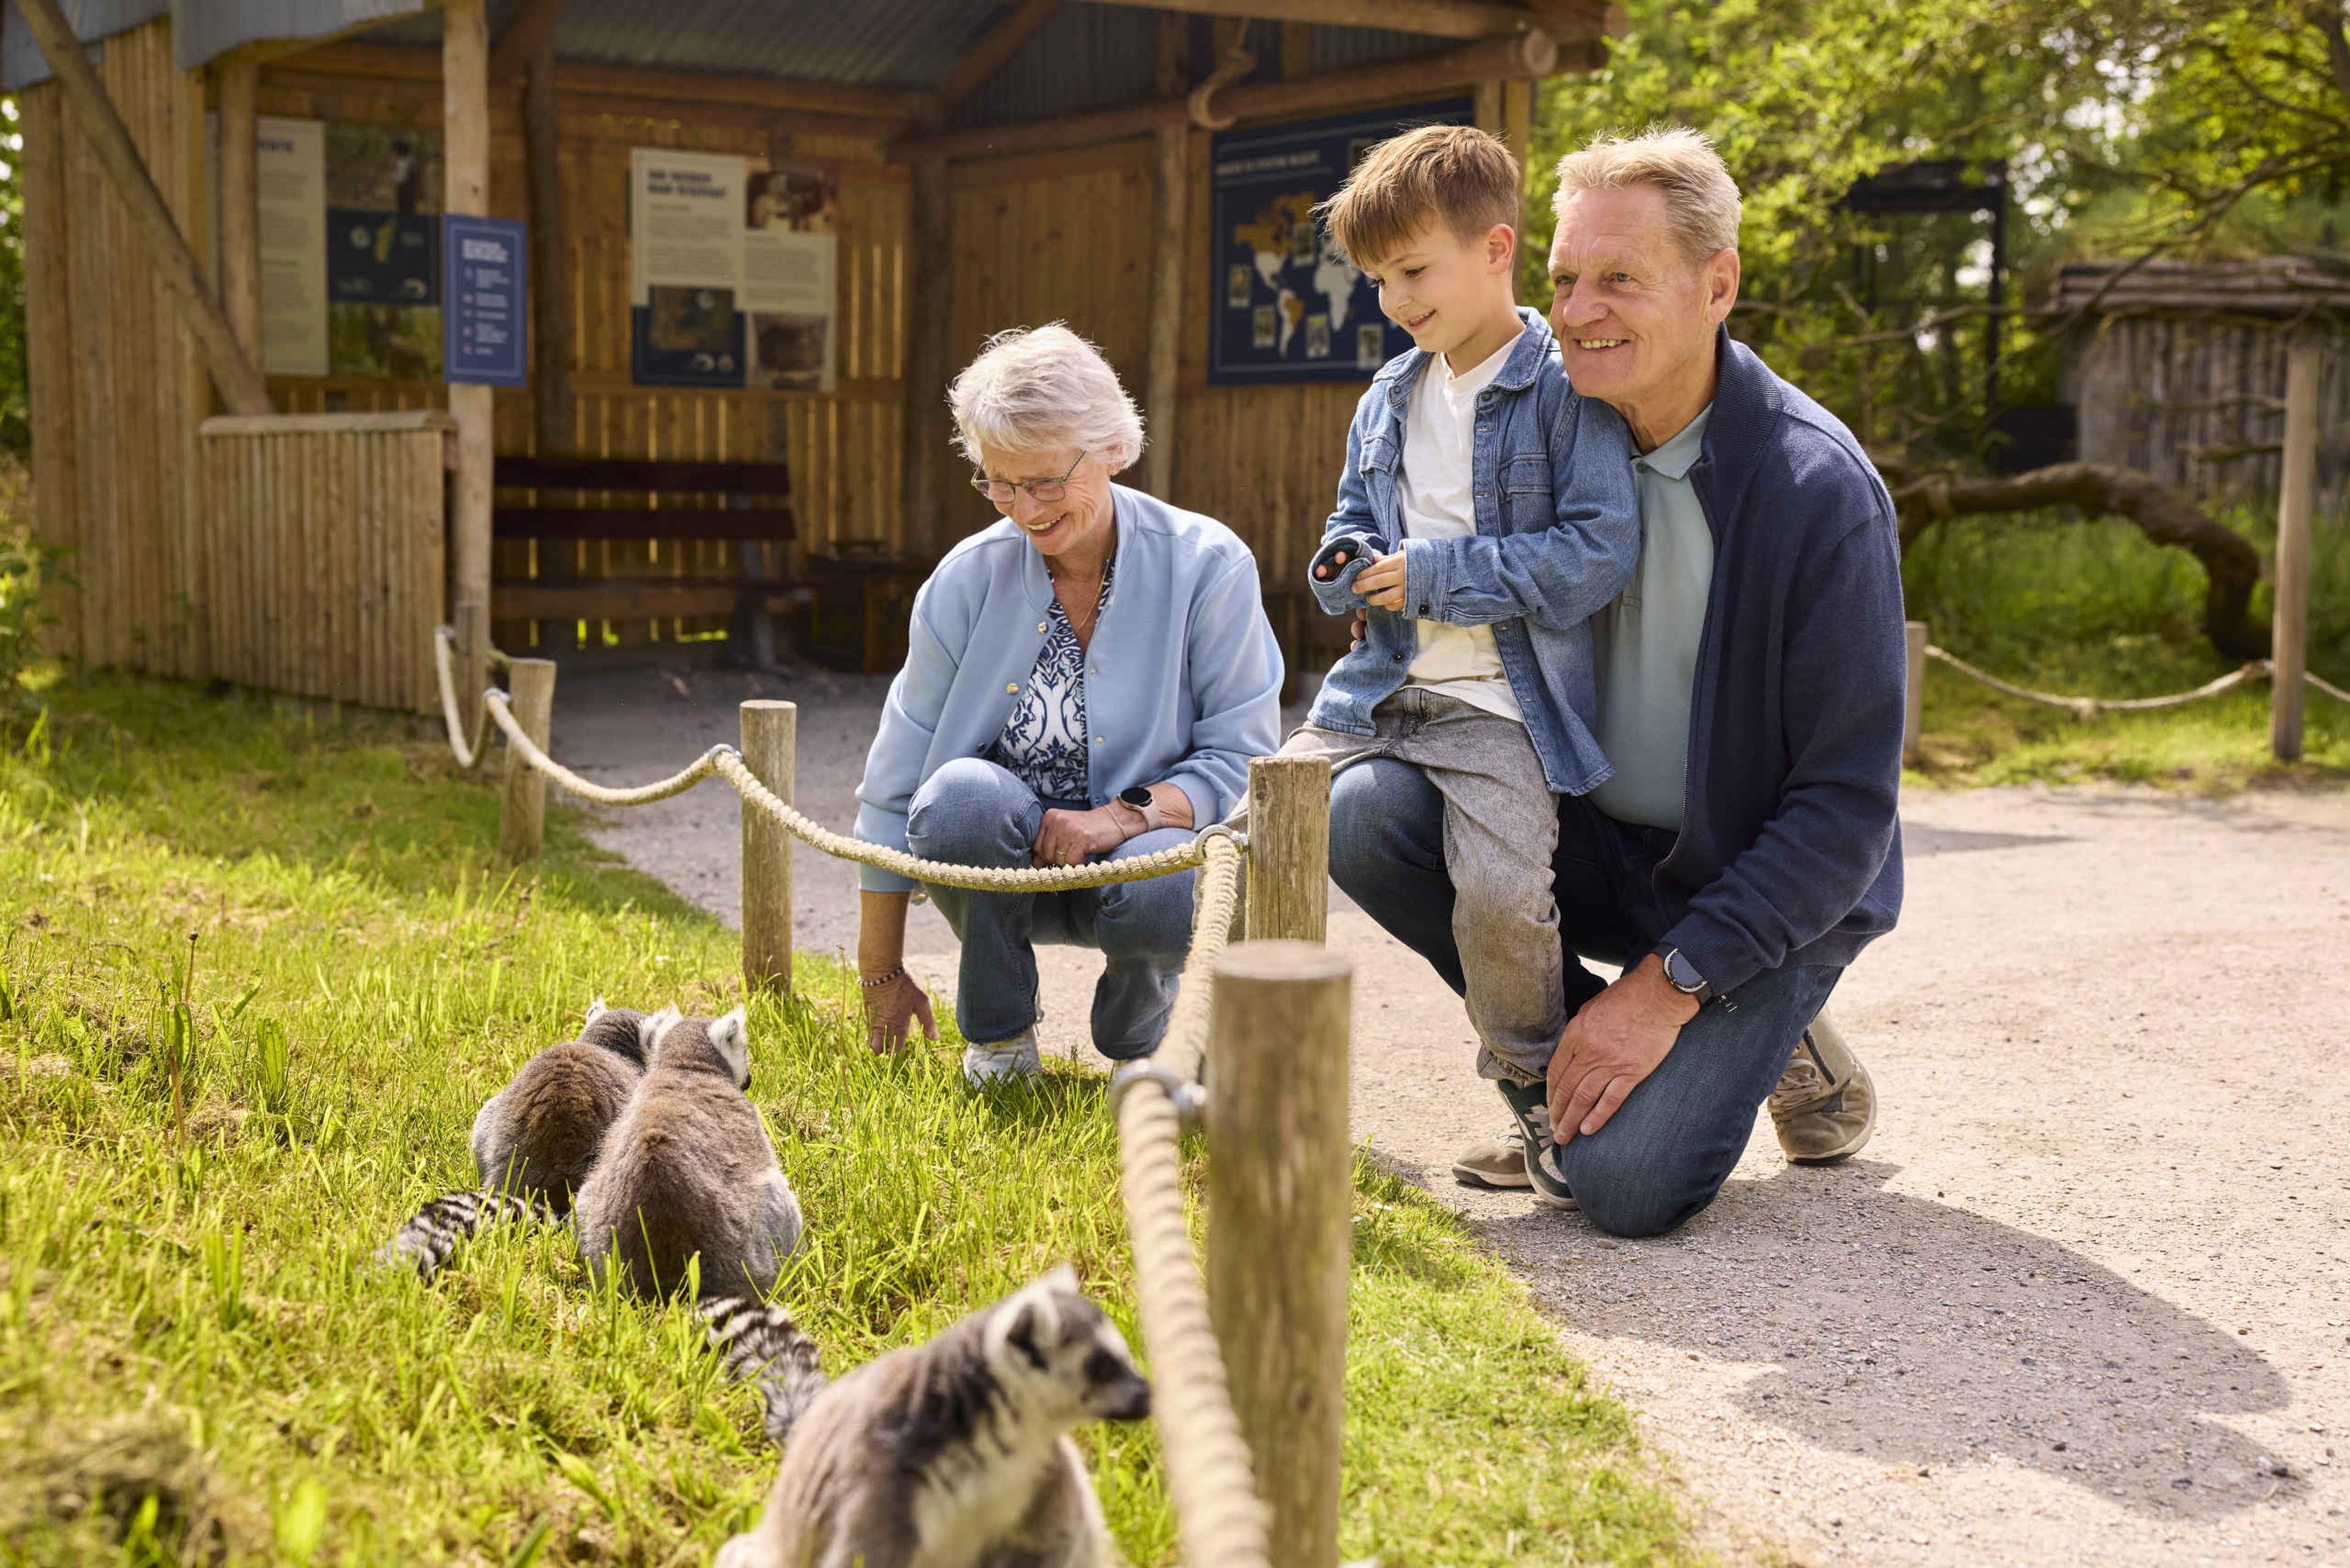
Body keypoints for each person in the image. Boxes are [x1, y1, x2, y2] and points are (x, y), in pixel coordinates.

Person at [1335, 128, 1904, 1236]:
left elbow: (1845, 815)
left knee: (1624, 1188)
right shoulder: (1542, 425)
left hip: (1753, 885)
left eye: (1620, 280)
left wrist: (1664, 988)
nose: (1578, 311)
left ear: (1717, 287)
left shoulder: (1818, 492)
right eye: (1564, 280)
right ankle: (1552, 1081)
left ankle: (1762, 1022)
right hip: (1595, 844)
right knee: (1364, 814)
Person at [1241, 124, 1639, 1195]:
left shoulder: (1563, 389)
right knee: (1250, 838)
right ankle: (1232, 1092)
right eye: (1378, 280)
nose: (1394, 299)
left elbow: (1598, 552)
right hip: (1377, 692)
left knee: (1502, 898)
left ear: (1496, 248)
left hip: (1504, 707)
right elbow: (1353, 523)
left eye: (1413, 272)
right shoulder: (1388, 394)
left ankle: (1536, 1087)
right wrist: (1342, 565)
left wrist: (1433, 575)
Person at [853, 324, 1283, 1087]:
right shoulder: (965, 579)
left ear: (1113, 448)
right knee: (957, 797)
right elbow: (893, 785)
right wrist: (881, 973)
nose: (1025, 509)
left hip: (1144, 872)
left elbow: (1244, 758)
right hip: (998, 873)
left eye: (1047, 481)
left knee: (1168, 874)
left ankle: (1143, 1038)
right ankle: (999, 1038)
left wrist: (1119, 819)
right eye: (1000, 483)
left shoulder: (1210, 565)